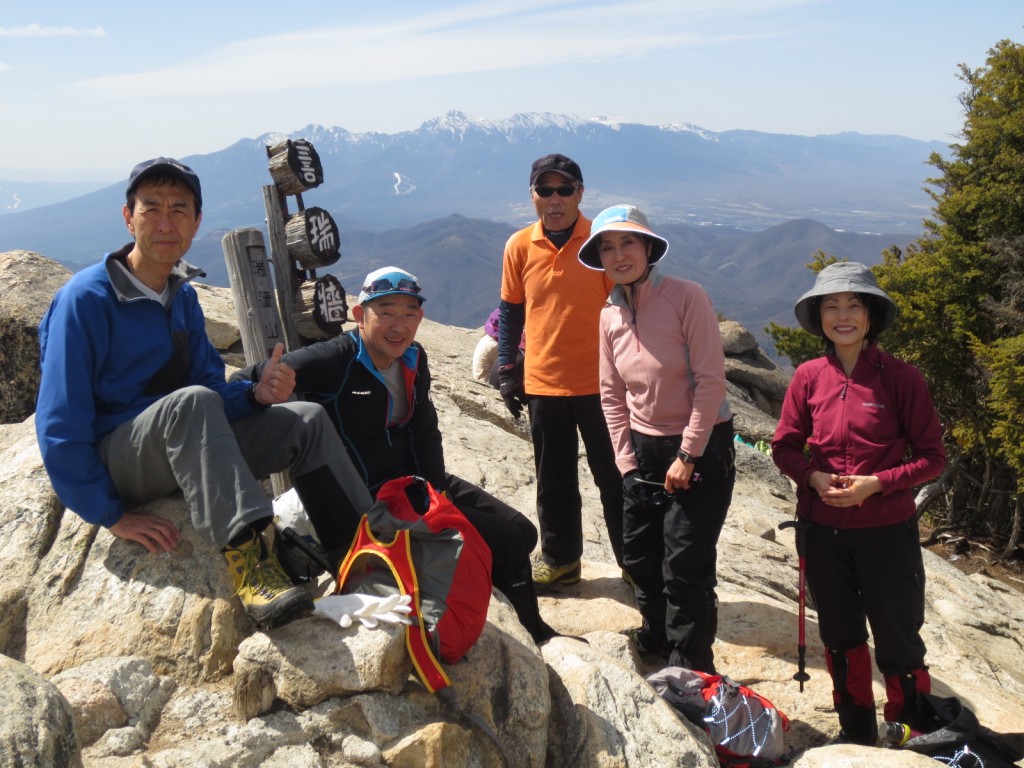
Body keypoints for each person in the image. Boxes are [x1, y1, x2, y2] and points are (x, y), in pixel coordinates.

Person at [35, 157, 377, 631]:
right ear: (127, 216)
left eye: (179, 210)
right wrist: (109, 514)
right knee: (191, 401)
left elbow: (214, 393)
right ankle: (253, 563)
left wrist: (256, 395)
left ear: (196, 222)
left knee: (306, 419)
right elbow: (57, 422)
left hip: (185, 446)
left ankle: (364, 556)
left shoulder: (182, 298)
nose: (165, 222)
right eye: (151, 208)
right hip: (120, 462)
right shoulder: (85, 299)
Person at [234, 267, 556, 644]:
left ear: (420, 318)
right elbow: (246, 379)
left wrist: (439, 496)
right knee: (507, 542)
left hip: (414, 485)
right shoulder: (334, 360)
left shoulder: (413, 359)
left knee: (523, 532)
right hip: (371, 500)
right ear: (359, 315)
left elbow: (424, 430)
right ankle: (535, 636)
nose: (398, 324)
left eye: (408, 313)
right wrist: (263, 389)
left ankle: (482, 599)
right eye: (384, 311)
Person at [771, 261, 946, 745]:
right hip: (822, 531)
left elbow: (932, 458)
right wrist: (812, 476)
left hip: (888, 531)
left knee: (899, 638)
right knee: (841, 636)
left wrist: (879, 484)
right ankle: (856, 735)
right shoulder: (808, 377)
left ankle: (912, 733)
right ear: (819, 317)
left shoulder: (902, 379)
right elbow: (784, 445)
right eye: (832, 306)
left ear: (871, 316)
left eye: (854, 305)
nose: (842, 315)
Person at [578, 204, 735, 673]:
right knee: (640, 554)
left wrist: (688, 452)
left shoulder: (687, 297)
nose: (619, 254)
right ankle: (655, 639)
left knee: (684, 564)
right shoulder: (609, 314)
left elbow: (710, 381)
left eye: (628, 242)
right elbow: (611, 394)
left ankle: (691, 668)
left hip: (701, 447)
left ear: (648, 248)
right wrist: (626, 464)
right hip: (643, 449)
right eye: (607, 246)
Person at [498, 153, 625, 590]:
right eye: (545, 190)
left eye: (564, 189)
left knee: (616, 477)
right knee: (553, 480)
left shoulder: (601, 242)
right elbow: (511, 309)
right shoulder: (519, 245)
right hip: (544, 382)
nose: (555, 199)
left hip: (604, 384)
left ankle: (634, 562)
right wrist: (505, 366)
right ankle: (561, 559)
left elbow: (628, 311)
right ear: (532, 195)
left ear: (580, 193)